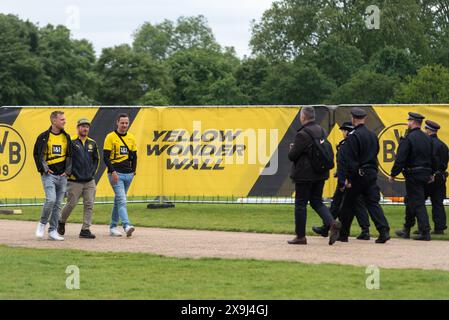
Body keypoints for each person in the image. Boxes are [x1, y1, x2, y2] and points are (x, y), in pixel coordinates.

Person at [287, 106, 341, 245]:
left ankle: (300, 236)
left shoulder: (303, 134)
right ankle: (332, 223)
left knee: (300, 204)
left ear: (303, 117)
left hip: (305, 175)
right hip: (320, 173)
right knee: (316, 201)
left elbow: (292, 156)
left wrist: (292, 148)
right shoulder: (321, 130)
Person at [338, 108, 390, 243]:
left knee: (348, 204)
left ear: (353, 119)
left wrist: (348, 178)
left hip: (358, 174)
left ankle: (343, 234)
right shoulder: (372, 135)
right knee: (373, 203)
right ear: (364, 119)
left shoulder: (353, 136)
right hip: (372, 173)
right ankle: (383, 231)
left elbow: (350, 159)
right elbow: (375, 152)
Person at [312, 122, 371, 240]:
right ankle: (365, 230)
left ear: (347, 131)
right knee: (357, 204)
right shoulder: (355, 143)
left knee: (336, 204)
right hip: (354, 178)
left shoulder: (347, 144)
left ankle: (327, 228)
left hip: (347, 179)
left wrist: (344, 178)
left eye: (343, 131)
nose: (342, 133)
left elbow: (346, 162)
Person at [391, 113, 434, 241]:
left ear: (412, 122)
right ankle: (407, 229)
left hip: (413, 174)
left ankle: (425, 231)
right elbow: (433, 157)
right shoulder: (427, 138)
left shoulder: (409, 138)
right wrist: (432, 173)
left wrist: (393, 173)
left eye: (409, 120)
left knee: (418, 203)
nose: (407, 123)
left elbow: (400, 158)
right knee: (411, 201)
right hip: (425, 173)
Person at [33, 111, 72, 241]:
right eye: (62, 119)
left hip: (62, 176)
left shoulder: (66, 137)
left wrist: (67, 172)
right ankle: (42, 224)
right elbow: (37, 155)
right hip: (49, 175)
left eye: (64, 119)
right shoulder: (44, 136)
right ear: (54, 121)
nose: (64, 121)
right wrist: (44, 169)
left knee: (58, 204)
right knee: (51, 200)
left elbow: (70, 156)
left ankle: (53, 231)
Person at [58, 118, 99, 239]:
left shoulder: (92, 143)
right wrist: (70, 173)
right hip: (74, 180)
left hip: (89, 180)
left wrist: (92, 173)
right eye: (82, 126)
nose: (85, 128)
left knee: (89, 204)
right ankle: (61, 221)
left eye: (87, 126)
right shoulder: (72, 143)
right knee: (71, 203)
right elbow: (67, 160)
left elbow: (97, 160)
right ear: (78, 128)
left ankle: (85, 229)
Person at [103, 113, 137, 237]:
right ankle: (126, 225)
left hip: (128, 174)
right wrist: (113, 172)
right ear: (117, 123)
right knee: (122, 200)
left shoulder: (131, 138)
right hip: (116, 174)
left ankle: (112, 226)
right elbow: (106, 157)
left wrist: (134, 171)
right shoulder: (110, 137)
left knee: (118, 201)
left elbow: (134, 156)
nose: (124, 125)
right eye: (122, 123)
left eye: (126, 123)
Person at [424, 120, 448, 235]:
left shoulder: (428, 144)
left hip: (429, 177)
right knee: (438, 203)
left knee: (418, 202)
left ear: (428, 130)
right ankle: (440, 228)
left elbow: (431, 160)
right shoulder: (443, 145)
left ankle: (422, 227)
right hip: (441, 177)